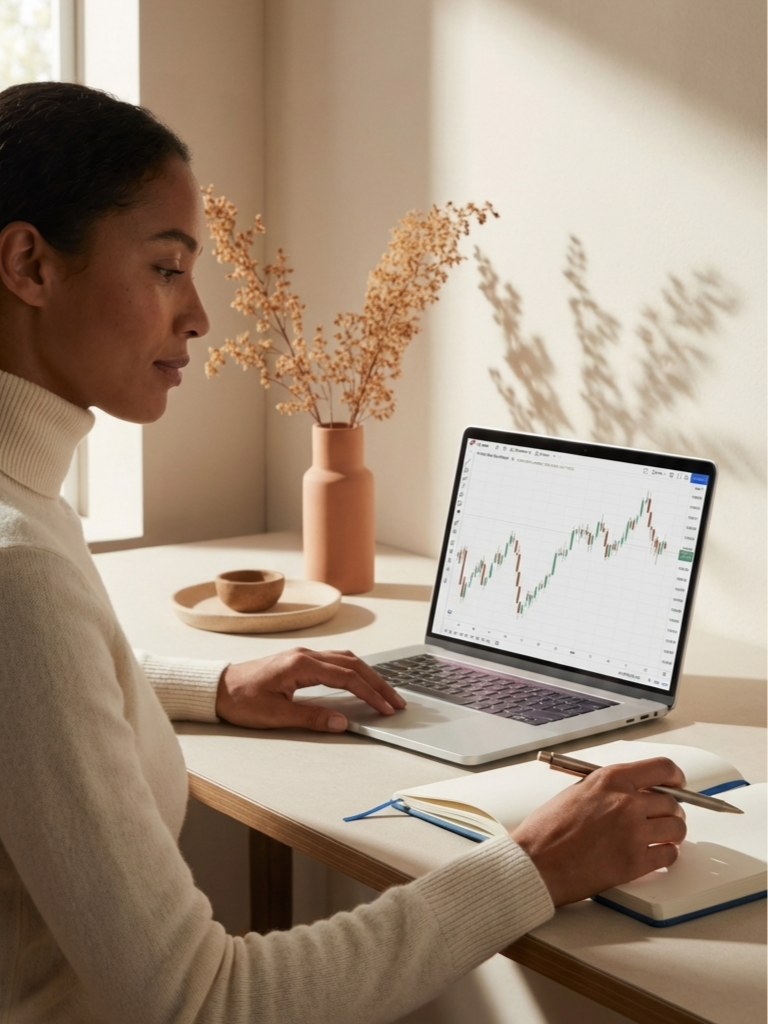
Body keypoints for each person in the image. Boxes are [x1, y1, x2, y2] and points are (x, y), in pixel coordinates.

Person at [0, 82, 687, 1024]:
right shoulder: (19, 567)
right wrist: (535, 866)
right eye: (166, 268)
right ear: (30, 264)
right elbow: (203, 1003)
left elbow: (38, 688)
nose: (199, 317)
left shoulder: (22, 513)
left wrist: (216, 685)